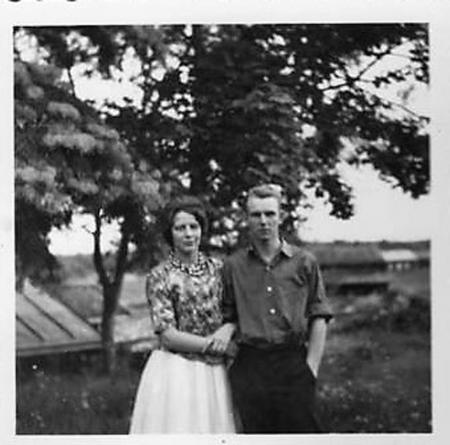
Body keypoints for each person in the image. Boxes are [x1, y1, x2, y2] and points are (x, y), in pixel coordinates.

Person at [222, 184, 333, 433]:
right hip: (251, 365)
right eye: (256, 215)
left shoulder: (304, 262)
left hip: (293, 361)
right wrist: (234, 366)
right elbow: (227, 317)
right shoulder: (233, 266)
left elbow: (319, 315)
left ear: (280, 216)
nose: (263, 221)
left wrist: (311, 368)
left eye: (270, 214)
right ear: (247, 218)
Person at [129, 196, 236, 433]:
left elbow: (235, 313)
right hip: (176, 370)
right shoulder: (160, 276)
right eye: (180, 228)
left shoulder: (220, 270)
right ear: (170, 233)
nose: (188, 234)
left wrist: (227, 330)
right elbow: (167, 335)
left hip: (215, 371)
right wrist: (213, 345)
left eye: (193, 227)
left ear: (202, 229)